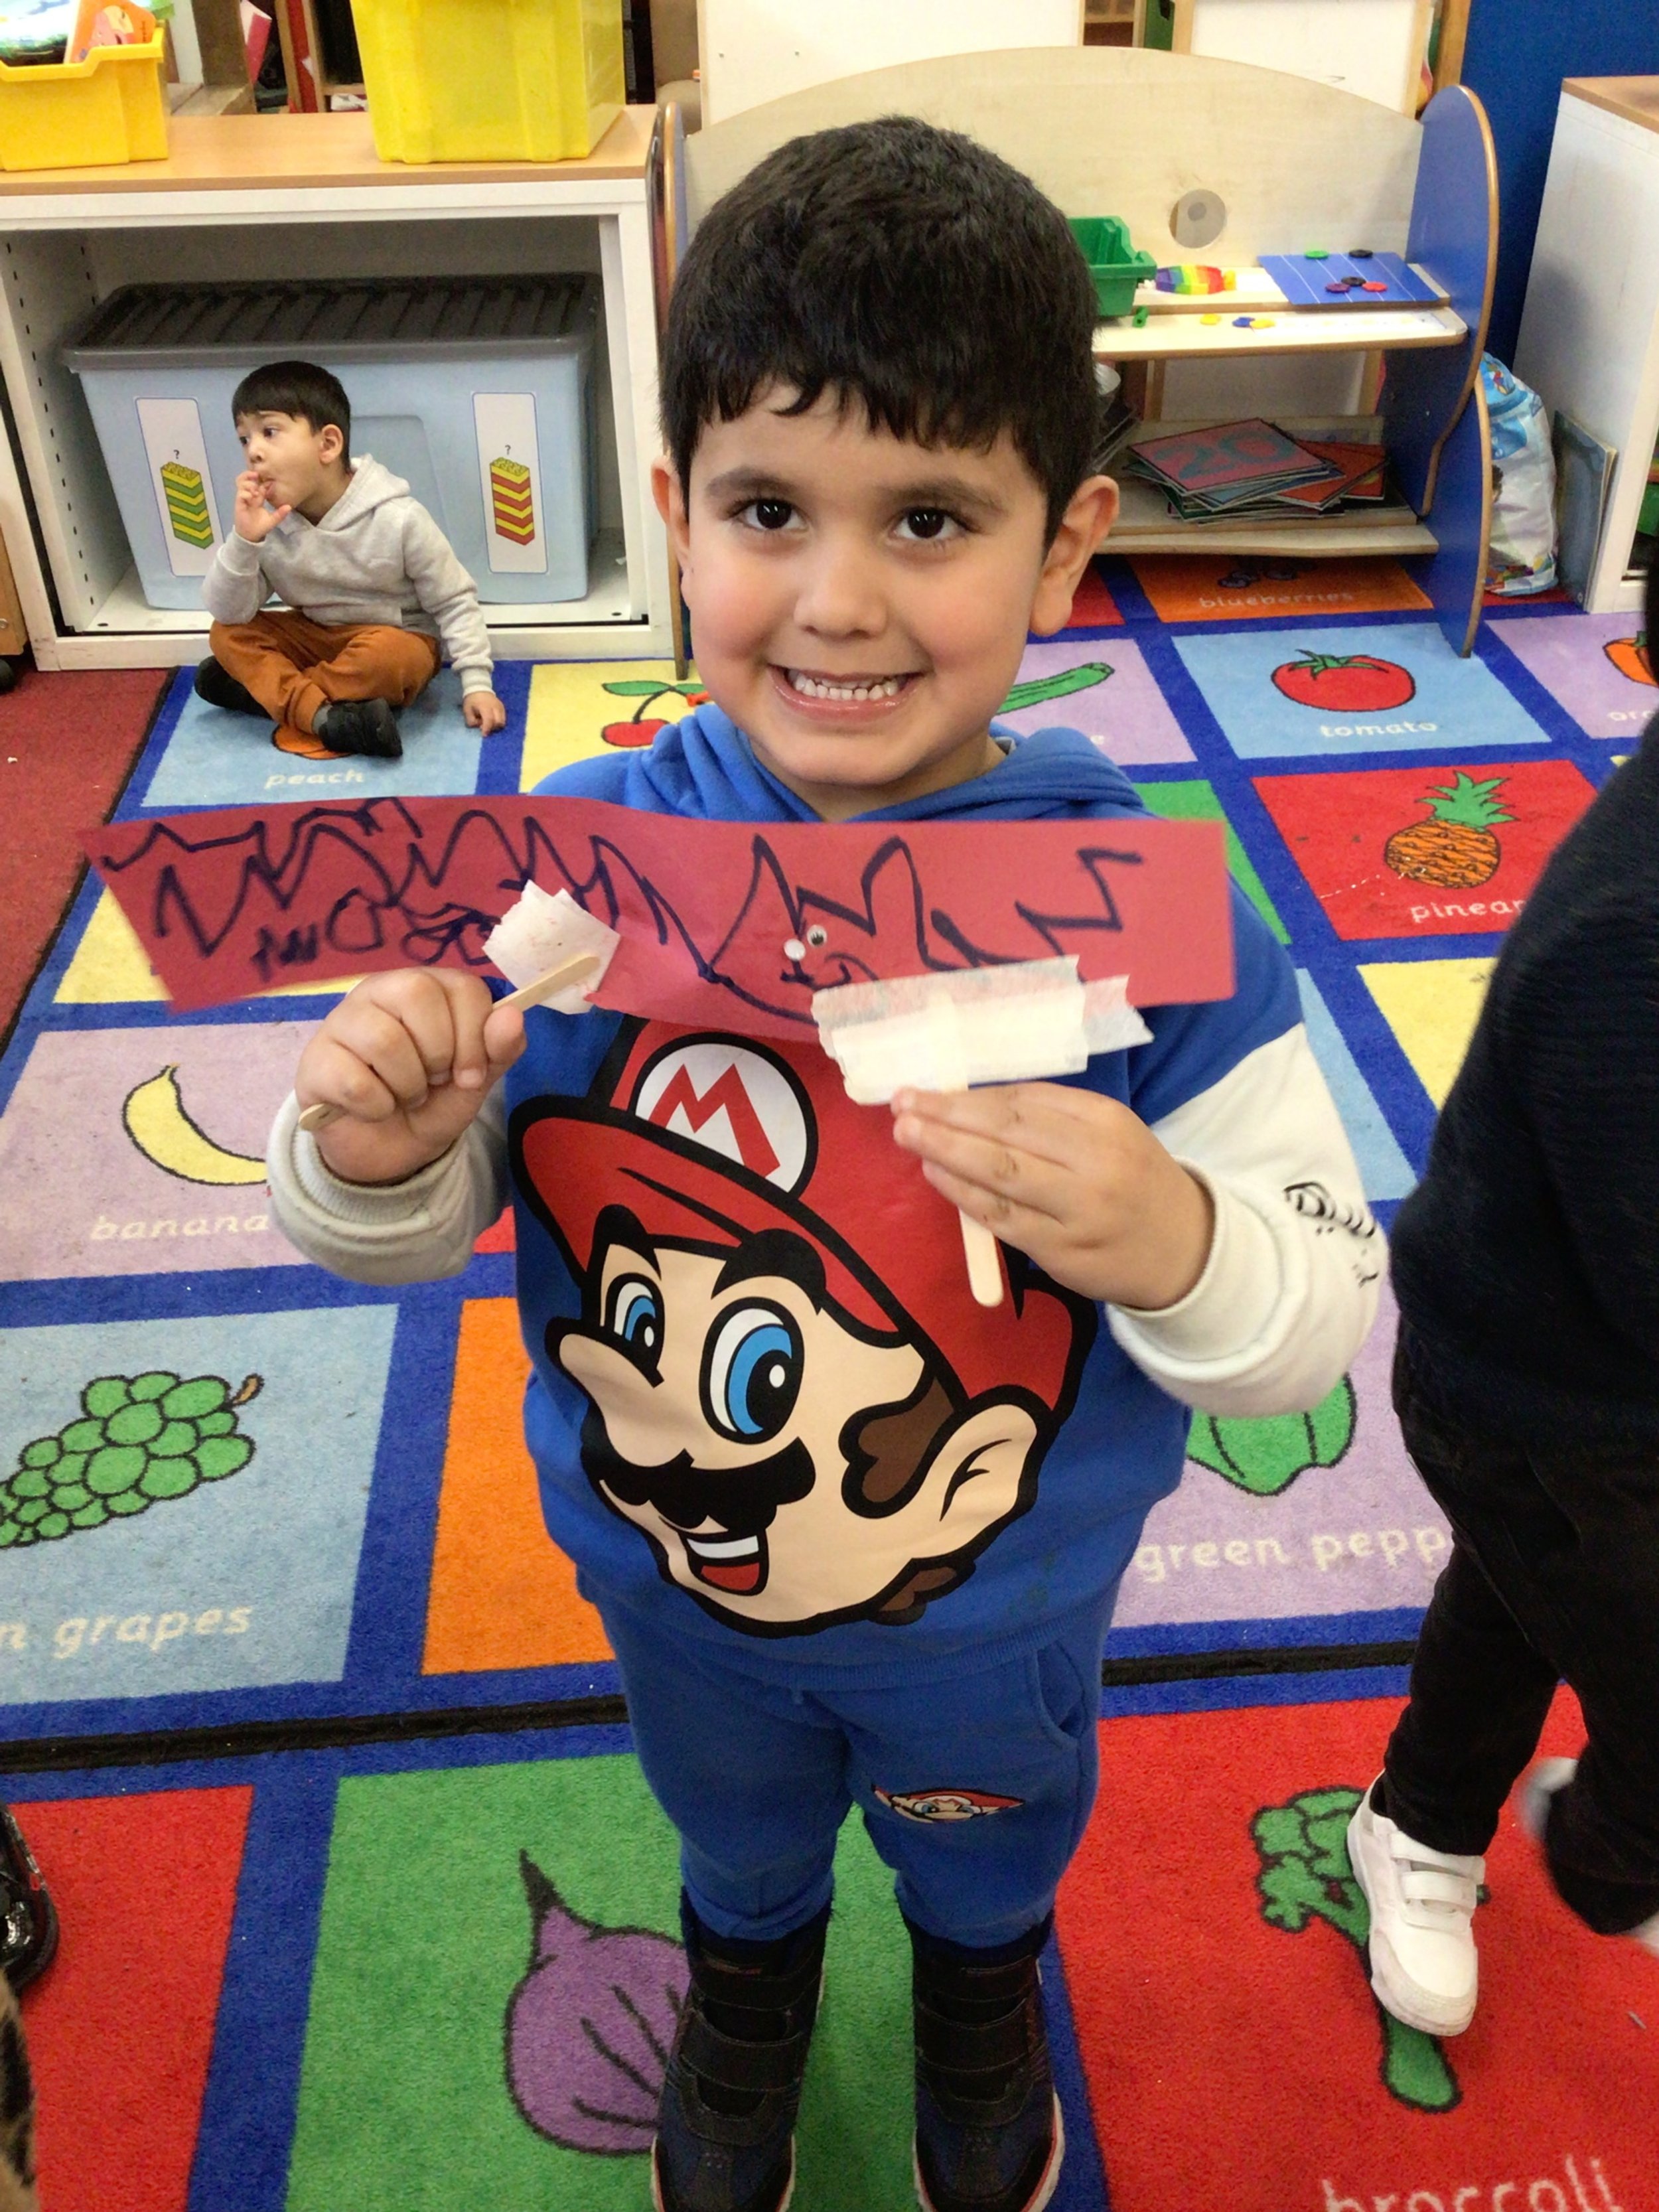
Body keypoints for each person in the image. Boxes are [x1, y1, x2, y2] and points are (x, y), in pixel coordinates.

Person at [268, 119, 1380, 2212]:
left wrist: (1171, 1238)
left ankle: (977, 1992)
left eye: (929, 517)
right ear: (677, 515)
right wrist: (373, 1145)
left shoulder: (1147, 921)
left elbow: (1312, 1304)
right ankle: (746, 1984)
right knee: (733, 1830)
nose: (839, 600)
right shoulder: (581, 871)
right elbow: (407, 1200)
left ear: (1062, 548)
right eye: (769, 510)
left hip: (998, 1609)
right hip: (672, 1587)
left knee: (986, 1845)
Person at [1348, 555, 1659, 2043]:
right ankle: (1606, 1852)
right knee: (1569, 1582)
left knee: (1520, 1592)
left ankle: (1419, 1814)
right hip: (1528, 1392)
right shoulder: (1630, 942)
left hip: (1595, 1394)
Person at [195, 359, 506, 764]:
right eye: (244, 438)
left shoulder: (399, 518)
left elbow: (455, 601)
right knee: (226, 634)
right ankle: (326, 717)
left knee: (394, 657)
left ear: (328, 444)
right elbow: (230, 612)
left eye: (269, 432)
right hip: (316, 638)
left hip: (394, 638)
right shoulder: (268, 525)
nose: (253, 451)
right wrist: (245, 540)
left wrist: (477, 683)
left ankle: (273, 696)